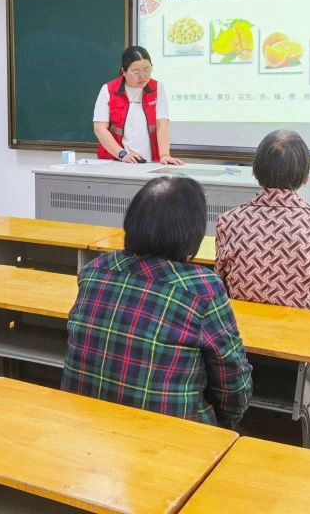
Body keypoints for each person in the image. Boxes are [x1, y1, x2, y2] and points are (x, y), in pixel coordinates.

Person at [62, 176, 252, 427]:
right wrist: (227, 423)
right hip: (169, 441)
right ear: (191, 234)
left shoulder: (95, 270)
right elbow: (233, 384)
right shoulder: (202, 289)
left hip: (85, 429)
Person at [215, 130, 310, 317]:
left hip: (243, 338)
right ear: (305, 177)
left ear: (257, 171)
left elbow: (219, 290)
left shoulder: (228, 222)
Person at [93, 45, 183, 165]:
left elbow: (162, 124)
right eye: (136, 72)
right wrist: (122, 154)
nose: (143, 76)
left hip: (151, 160)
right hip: (116, 160)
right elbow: (100, 128)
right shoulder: (108, 90)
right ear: (124, 71)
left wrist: (165, 155)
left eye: (147, 70)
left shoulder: (157, 88)